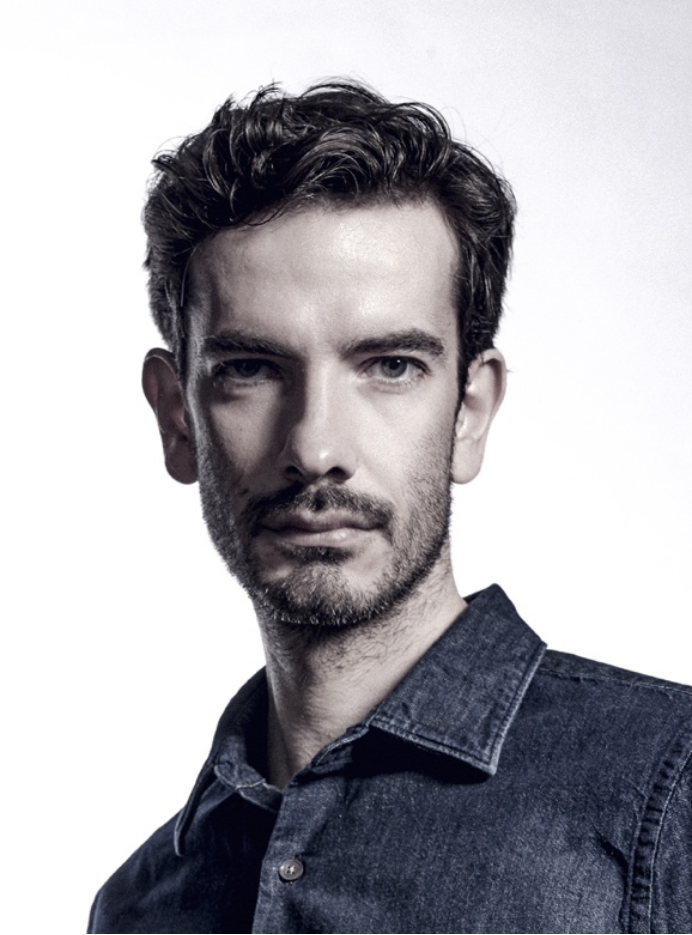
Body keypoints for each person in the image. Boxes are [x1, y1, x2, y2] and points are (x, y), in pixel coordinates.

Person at [89, 81, 692, 934]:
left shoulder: (669, 795)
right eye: (250, 368)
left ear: (470, 412)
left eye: (390, 366)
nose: (315, 446)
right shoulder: (140, 904)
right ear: (177, 418)